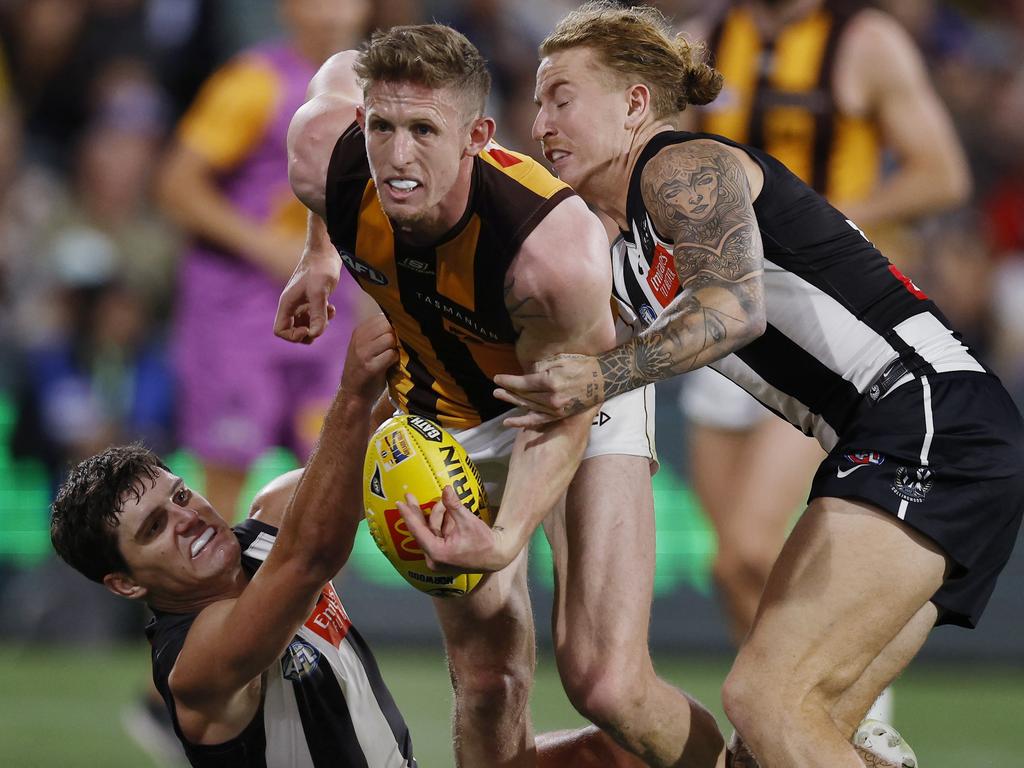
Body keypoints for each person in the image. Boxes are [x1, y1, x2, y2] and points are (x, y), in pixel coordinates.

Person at [484, 3, 1023, 767]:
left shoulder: (680, 167)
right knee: (764, 746)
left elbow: (731, 310)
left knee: (765, 703)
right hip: (915, 435)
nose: (541, 122)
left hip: (928, 419)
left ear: (636, 104)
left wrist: (599, 375)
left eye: (563, 97)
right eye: (537, 101)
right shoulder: (619, 245)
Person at [275, 24, 722, 768]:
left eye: (424, 129)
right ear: (359, 124)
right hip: (443, 416)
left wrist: (508, 534)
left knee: (606, 684)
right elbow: (342, 66)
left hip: (575, 397)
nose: (398, 155)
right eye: (382, 126)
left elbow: (567, 406)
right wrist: (317, 254)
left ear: (477, 137)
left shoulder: (551, 254)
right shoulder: (323, 150)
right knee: (488, 682)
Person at [676, 0, 971, 651]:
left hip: (828, 319)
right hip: (725, 315)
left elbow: (942, 174)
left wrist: (818, 216)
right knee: (730, 564)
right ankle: (782, 734)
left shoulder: (863, 41)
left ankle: (843, 720)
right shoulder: (705, 40)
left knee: (755, 546)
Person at [49, 315, 419, 767]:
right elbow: (308, 561)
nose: (187, 518)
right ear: (125, 584)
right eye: (154, 528)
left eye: (181, 495)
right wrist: (352, 391)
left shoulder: (273, 516)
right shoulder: (193, 665)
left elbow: (381, 442)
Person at [156, 0, 371, 519]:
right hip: (240, 309)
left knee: (332, 469)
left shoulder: (381, 89)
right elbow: (176, 186)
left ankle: (312, 599)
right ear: (288, 8)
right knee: (227, 471)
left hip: (332, 304)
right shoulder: (252, 82)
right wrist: (266, 247)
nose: (334, 12)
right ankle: (213, 598)